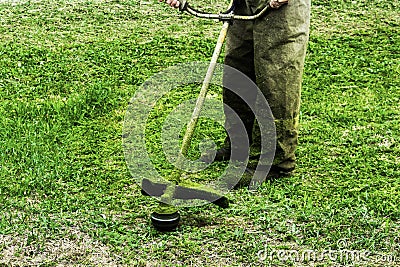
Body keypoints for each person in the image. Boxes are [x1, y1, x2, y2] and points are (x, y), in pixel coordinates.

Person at [163, 0, 311, 183]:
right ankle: (240, 144)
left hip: (283, 7)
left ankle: (274, 162)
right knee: (238, 66)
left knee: (276, 75)